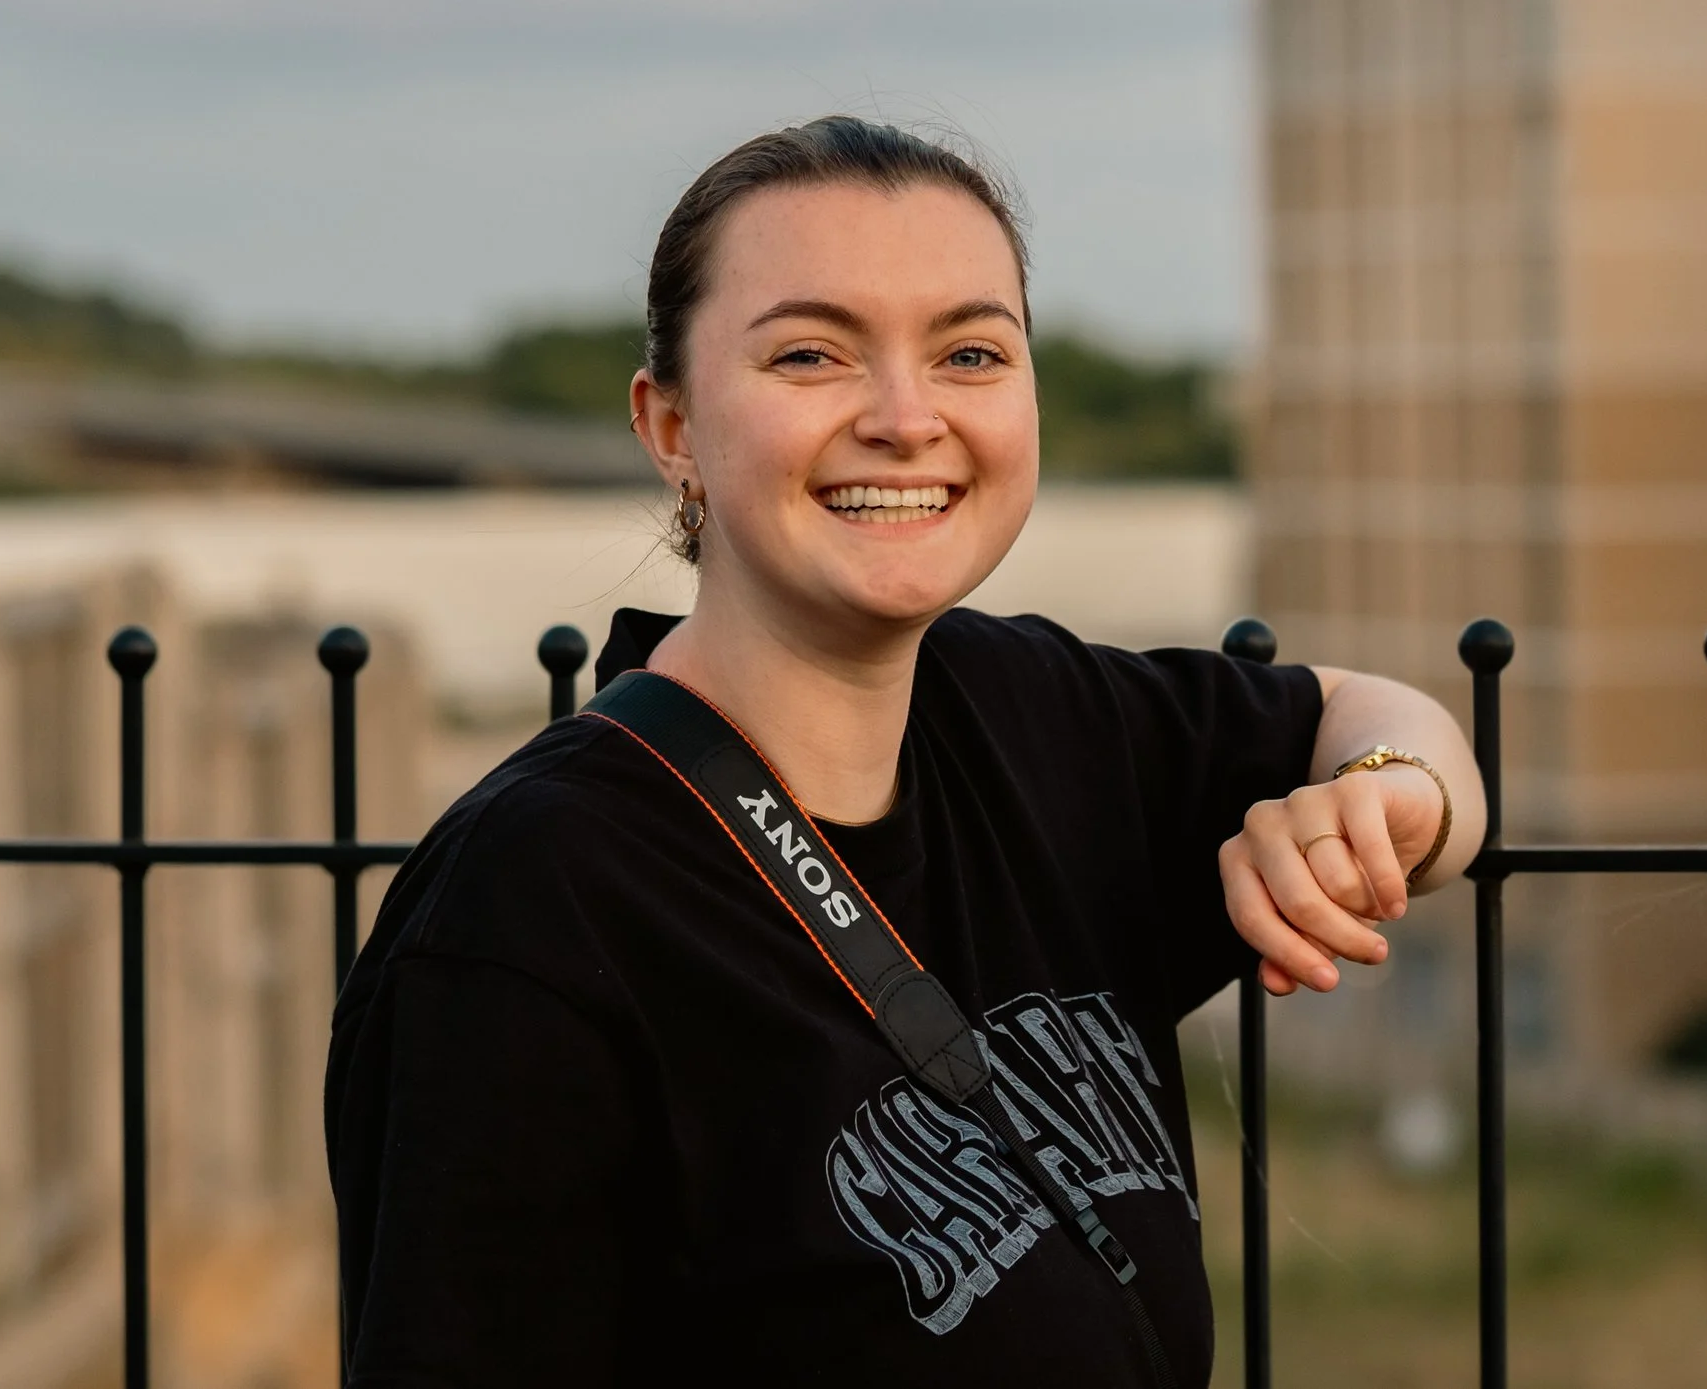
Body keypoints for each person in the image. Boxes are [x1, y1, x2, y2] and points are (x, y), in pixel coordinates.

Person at [325, 115, 1487, 1387]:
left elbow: (1376, 713)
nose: (904, 415)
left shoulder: (1030, 716)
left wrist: (1382, 804)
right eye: (812, 354)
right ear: (670, 427)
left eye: (970, 351)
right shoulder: (530, 906)